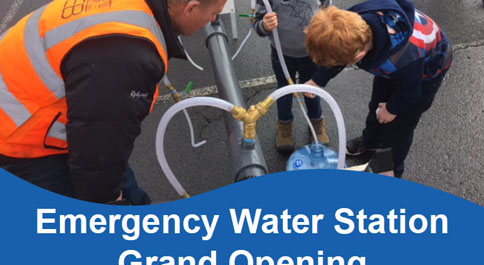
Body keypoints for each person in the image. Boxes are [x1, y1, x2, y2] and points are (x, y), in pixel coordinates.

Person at [0, 0, 226, 204]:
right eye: (215, 13)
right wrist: (108, 200)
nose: (214, 20)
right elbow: (98, 146)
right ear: (191, 8)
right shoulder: (128, 56)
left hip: (26, 103)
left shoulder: (129, 12)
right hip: (21, 138)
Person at [304, 1, 452, 177]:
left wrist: (391, 109)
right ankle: (371, 140)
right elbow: (340, 53)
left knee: (399, 128)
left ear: (359, 56)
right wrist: (317, 81)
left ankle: (389, 169)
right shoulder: (351, 23)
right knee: (376, 105)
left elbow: (410, 92)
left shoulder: (405, 59)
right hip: (389, 62)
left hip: (425, 73)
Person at [254, 0, 330, 152]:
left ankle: (316, 124)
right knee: (284, 92)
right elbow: (257, 24)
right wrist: (264, 25)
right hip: (282, 54)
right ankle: (285, 127)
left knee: (312, 91)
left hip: (312, 53)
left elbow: (326, 13)